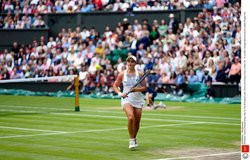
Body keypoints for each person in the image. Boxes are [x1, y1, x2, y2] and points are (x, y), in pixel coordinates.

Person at [113, 55, 147, 150]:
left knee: (137, 122)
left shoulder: (140, 74)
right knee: (131, 117)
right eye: (128, 61)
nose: (130, 63)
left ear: (135, 63)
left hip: (138, 100)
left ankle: (134, 137)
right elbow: (115, 86)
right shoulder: (122, 74)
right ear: (126, 63)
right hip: (126, 99)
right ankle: (131, 140)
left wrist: (136, 89)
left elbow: (144, 88)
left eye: (132, 61)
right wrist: (120, 94)